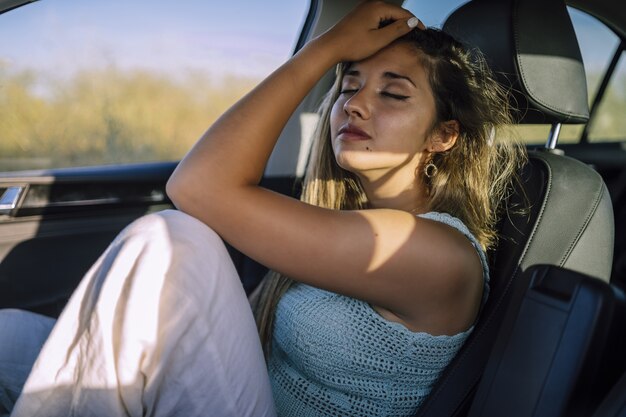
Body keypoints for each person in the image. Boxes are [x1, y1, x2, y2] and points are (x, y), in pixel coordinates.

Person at [0, 1, 526, 416]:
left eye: (394, 95)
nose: (357, 104)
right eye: (349, 86)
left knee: (170, 241)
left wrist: (321, 52)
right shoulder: (348, 221)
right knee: (9, 337)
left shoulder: (432, 251)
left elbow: (198, 186)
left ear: (443, 136)